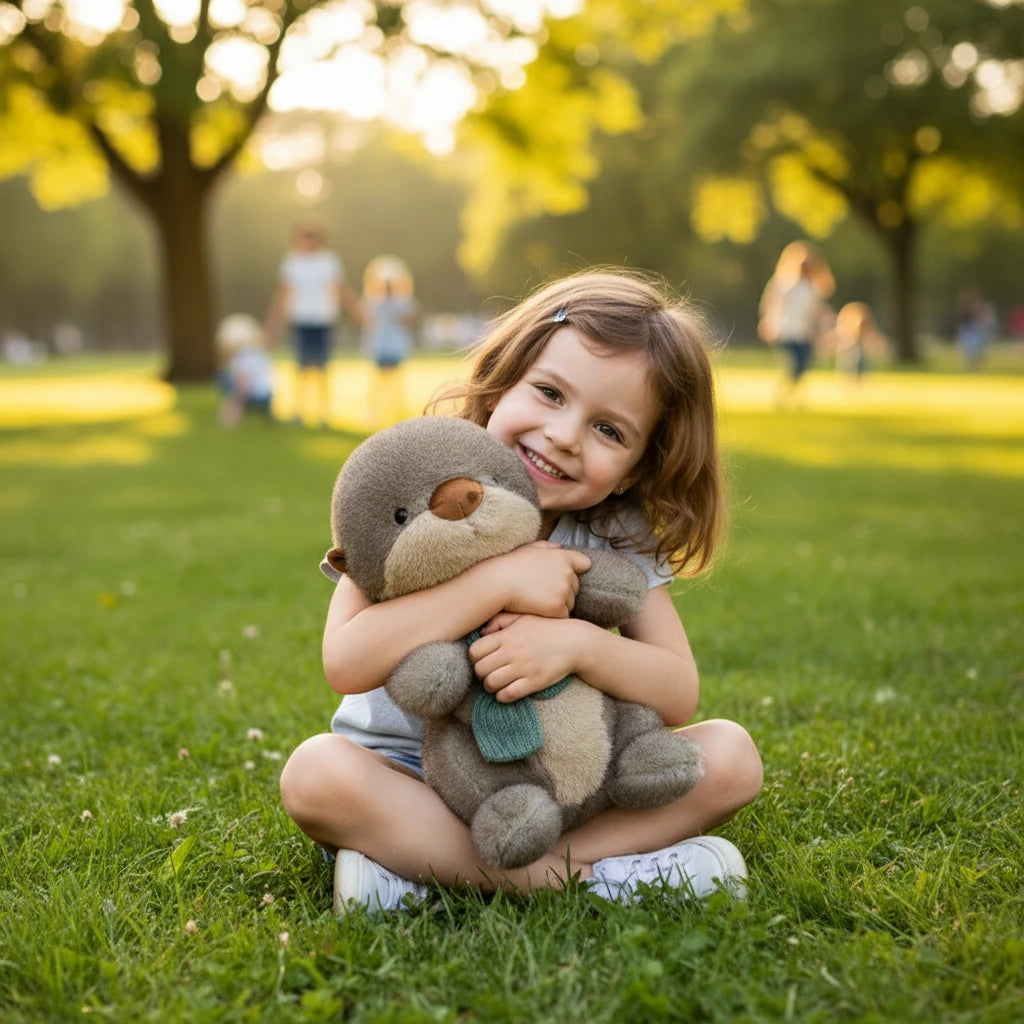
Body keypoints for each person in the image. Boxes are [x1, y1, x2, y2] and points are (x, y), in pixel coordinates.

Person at [280, 269, 763, 914]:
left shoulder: (614, 533)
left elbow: (677, 692)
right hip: (409, 782)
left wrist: (576, 646)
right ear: (503, 380)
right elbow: (346, 661)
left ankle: (420, 881)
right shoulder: (415, 483)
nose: (564, 434)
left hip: (563, 786)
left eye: (609, 430)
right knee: (316, 774)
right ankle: (595, 883)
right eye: (549, 393)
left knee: (732, 756)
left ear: (635, 471)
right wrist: (495, 582)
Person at [266, 220, 358, 428]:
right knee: (300, 367)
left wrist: (355, 310)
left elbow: (340, 287)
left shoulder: (328, 261)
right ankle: (298, 411)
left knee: (323, 367)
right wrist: (274, 322)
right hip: (301, 319)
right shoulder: (292, 262)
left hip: (323, 319)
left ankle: (324, 414)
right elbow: (283, 292)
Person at [758, 241, 835, 406]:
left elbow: (818, 312)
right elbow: (771, 305)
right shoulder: (785, 285)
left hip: (804, 334)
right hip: (786, 332)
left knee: (802, 367)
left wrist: (825, 328)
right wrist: (768, 323)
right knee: (794, 365)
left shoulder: (812, 289)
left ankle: (788, 395)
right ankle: (792, 398)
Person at [359, 254, 419, 428]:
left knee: (396, 380)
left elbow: (411, 318)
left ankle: (397, 407)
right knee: (377, 381)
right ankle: (374, 409)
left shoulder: (402, 302)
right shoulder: (374, 301)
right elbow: (365, 317)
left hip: (394, 345)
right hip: (380, 345)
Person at [215, 313, 275, 427]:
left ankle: (235, 415)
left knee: (223, 377)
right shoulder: (259, 353)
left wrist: (234, 404)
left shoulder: (243, 357)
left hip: (253, 396)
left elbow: (244, 383)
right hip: (267, 396)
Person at [832, 301, 888, 384]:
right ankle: (849, 377)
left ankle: (860, 377)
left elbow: (870, 334)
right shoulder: (848, 320)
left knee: (860, 359)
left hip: (857, 343)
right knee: (850, 359)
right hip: (849, 342)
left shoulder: (865, 320)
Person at [955, 287, 997, 370]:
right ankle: (970, 366)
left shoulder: (980, 307)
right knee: (968, 350)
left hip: (975, 330)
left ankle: (976, 366)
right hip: (967, 330)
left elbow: (983, 320)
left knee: (977, 349)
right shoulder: (965, 309)